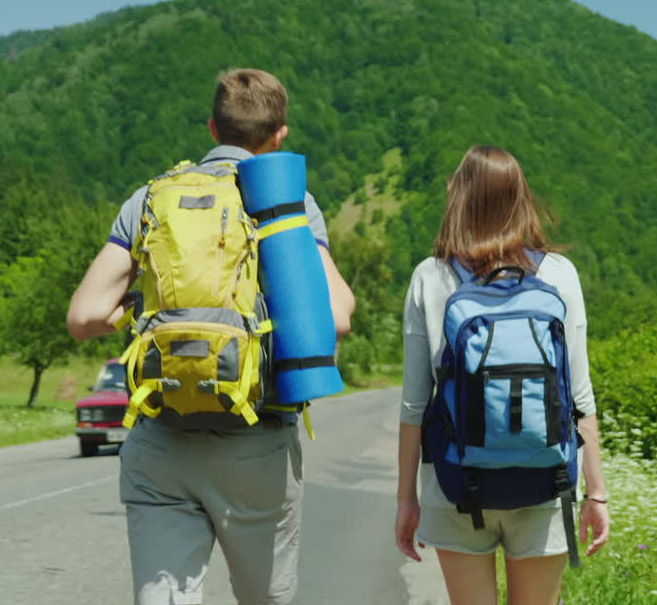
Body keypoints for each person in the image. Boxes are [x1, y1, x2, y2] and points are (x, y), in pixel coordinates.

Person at [66, 68, 356, 605]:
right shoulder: (285, 201)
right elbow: (337, 315)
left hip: (161, 440)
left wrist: (133, 310)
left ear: (212, 128)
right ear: (280, 135)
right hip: (257, 442)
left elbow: (84, 315)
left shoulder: (150, 200)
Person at [394, 145, 610, 605]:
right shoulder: (559, 273)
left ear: (458, 198)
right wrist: (597, 493)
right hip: (545, 480)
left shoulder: (430, 276)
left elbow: (414, 404)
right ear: (521, 200)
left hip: (456, 482)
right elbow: (580, 396)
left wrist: (406, 500)